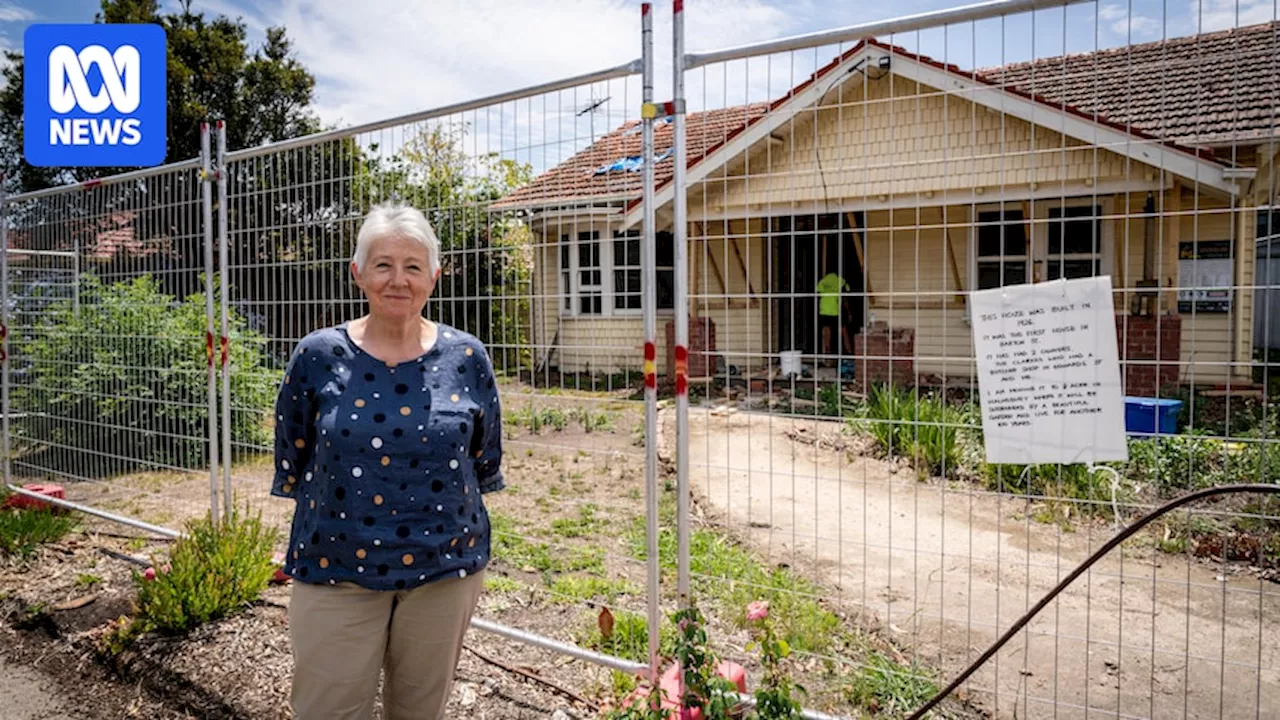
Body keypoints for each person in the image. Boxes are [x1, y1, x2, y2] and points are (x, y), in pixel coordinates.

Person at [272, 202, 504, 720]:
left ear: (435, 277)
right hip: (335, 568)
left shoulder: (467, 357)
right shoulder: (316, 356)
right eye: (383, 264)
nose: (398, 279)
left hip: (443, 571)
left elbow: (483, 456)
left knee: (420, 712)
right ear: (358, 273)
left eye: (413, 266)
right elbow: (294, 450)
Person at [815, 269, 854, 358]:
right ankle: (850, 354)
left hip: (824, 311)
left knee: (826, 333)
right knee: (844, 332)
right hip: (836, 310)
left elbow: (817, 294)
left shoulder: (822, 282)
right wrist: (849, 312)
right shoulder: (841, 281)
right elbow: (845, 298)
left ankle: (827, 355)